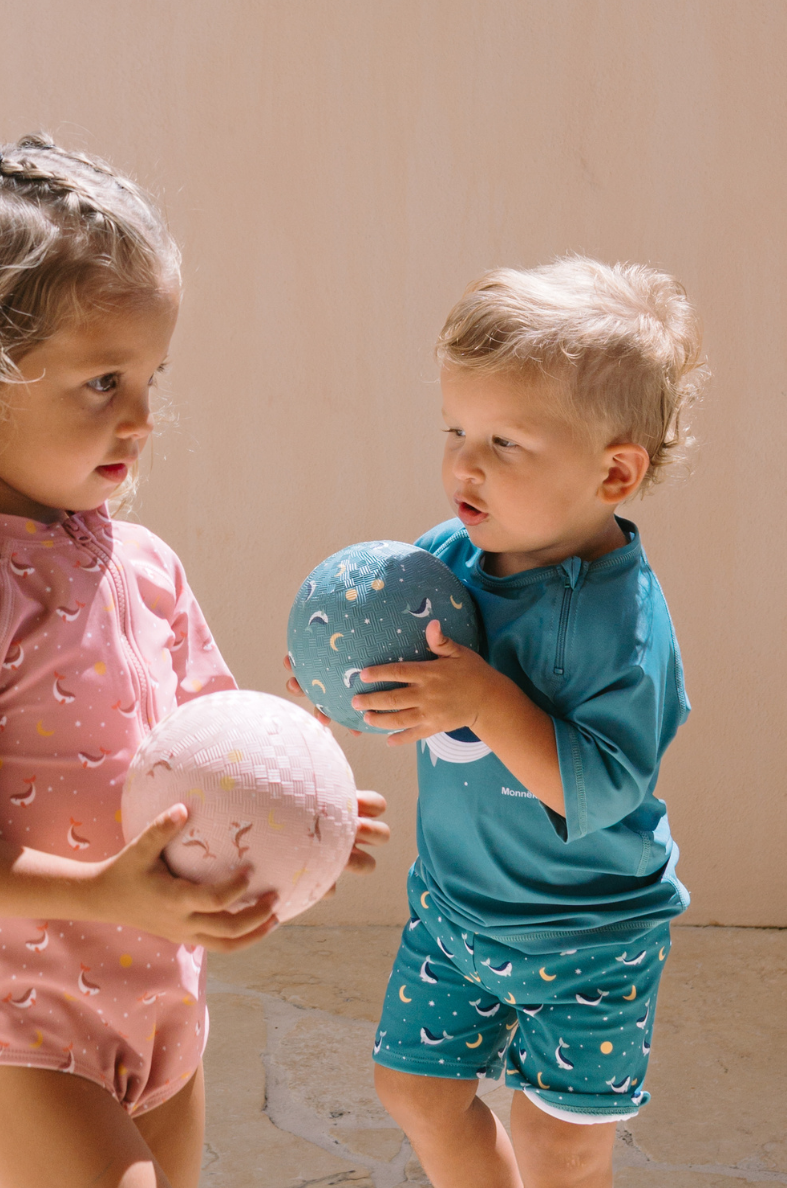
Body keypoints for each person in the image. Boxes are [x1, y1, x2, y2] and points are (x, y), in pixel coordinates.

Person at [0, 135, 389, 1188]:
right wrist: (102, 892)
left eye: (150, 375)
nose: (140, 415)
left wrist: (295, 797)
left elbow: (206, 737)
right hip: (23, 1033)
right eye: (100, 381)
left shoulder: (148, 563)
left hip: (164, 1006)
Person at [286, 257, 704, 1187]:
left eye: (506, 443)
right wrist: (343, 679)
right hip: (455, 910)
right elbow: (412, 686)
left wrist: (484, 700)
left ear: (615, 471)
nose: (464, 464)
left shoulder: (621, 624)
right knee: (413, 1090)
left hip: (590, 936)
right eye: (456, 428)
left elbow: (601, 787)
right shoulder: (451, 559)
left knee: (563, 1145)